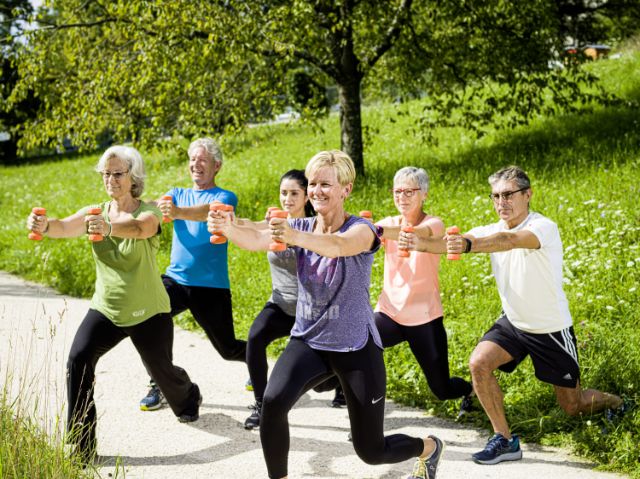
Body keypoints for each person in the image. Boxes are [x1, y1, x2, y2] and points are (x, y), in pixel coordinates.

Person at [209, 151, 443, 479]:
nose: (317, 191)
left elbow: (336, 245)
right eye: (313, 184)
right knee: (272, 404)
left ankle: (429, 447)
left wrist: (290, 235)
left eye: (325, 184)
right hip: (309, 341)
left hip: (356, 348)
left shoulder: (363, 231)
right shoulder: (301, 225)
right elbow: (258, 239)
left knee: (371, 452)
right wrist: (227, 228)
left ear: (346, 189)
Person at [406, 165, 624, 465]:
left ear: (528, 194)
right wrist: (419, 243)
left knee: (573, 406)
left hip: (550, 329)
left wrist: (468, 245)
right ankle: (505, 440)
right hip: (514, 322)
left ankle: (617, 403)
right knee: (479, 364)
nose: (501, 202)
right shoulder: (491, 228)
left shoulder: (543, 227)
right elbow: (448, 243)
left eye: (508, 195)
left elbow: (507, 241)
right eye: (495, 196)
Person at [26, 145, 202, 462]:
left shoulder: (147, 210)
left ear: (133, 176)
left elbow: (141, 228)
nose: (111, 179)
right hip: (107, 308)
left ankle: (189, 395)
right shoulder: (95, 213)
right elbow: (64, 226)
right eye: (106, 174)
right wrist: (43, 225)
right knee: (78, 360)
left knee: (164, 374)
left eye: (117, 173)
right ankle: (83, 446)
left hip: (149, 310)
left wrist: (109, 228)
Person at [139, 137, 247, 411]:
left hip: (211, 287)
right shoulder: (176, 193)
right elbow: (153, 205)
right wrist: (130, 201)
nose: (195, 164)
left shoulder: (224, 197)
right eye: (192, 159)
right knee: (149, 319)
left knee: (229, 348)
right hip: (176, 280)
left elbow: (206, 213)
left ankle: (256, 365)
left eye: (202, 160)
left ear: (216, 166)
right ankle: (160, 384)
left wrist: (176, 212)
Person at [373, 166, 473, 418]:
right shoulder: (388, 224)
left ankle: (470, 391)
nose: (402, 197)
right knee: (361, 347)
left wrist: (376, 230)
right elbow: (366, 235)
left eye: (409, 191)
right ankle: (368, 413)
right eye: (398, 191)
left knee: (441, 388)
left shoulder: (434, 223)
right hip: (389, 314)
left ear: (424, 194)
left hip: (424, 318)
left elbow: (418, 234)